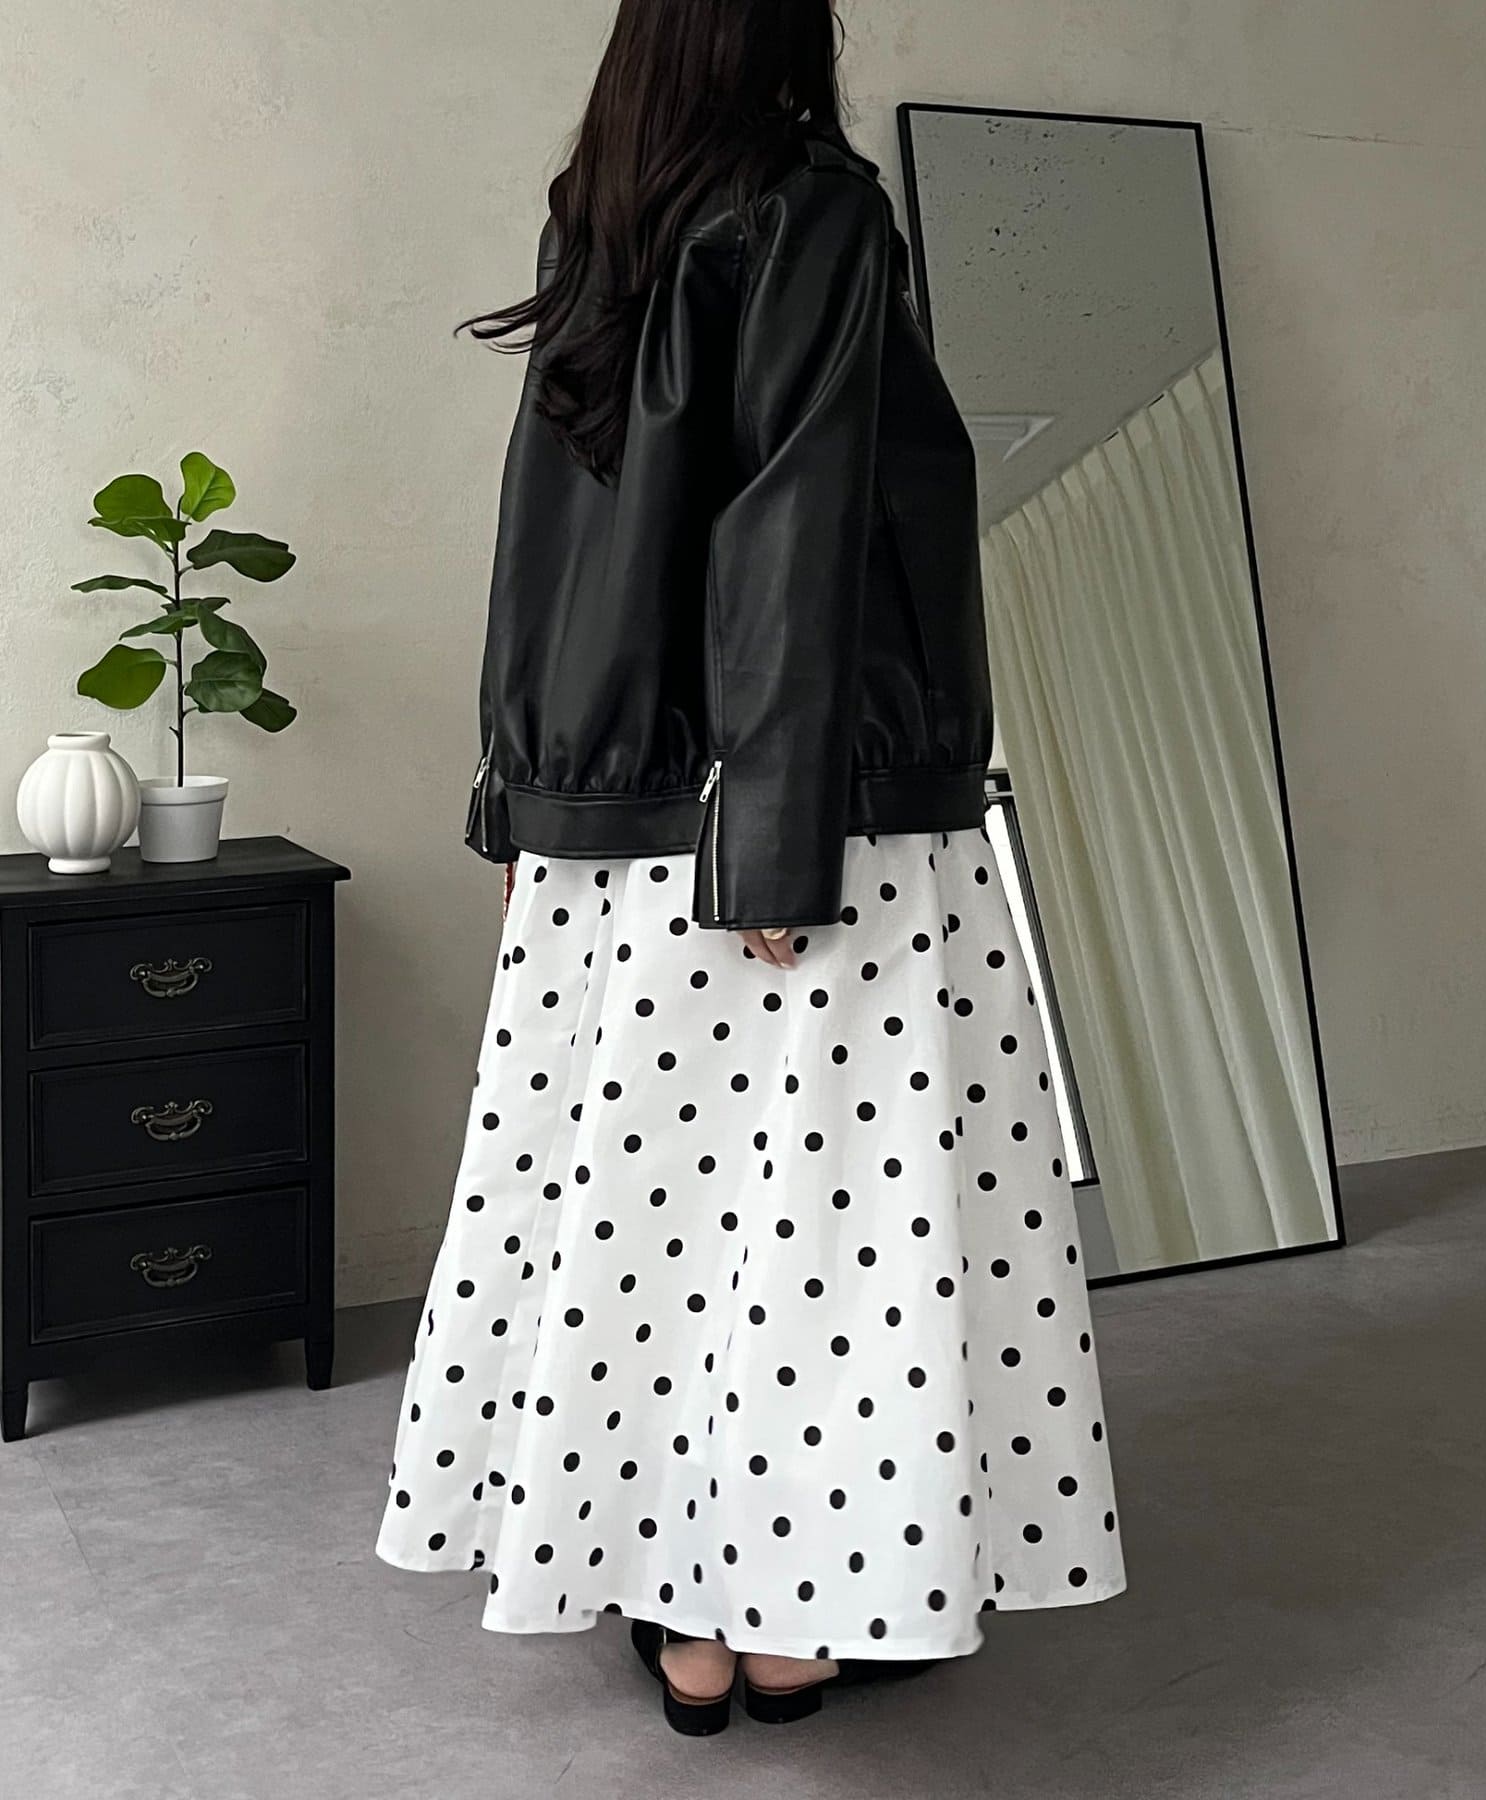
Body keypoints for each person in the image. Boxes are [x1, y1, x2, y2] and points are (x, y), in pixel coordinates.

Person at [376, 0, 1126, 1736]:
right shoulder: (816, 208)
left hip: (621, 819)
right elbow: (802, 516)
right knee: (823, 1243)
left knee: (644, 1231)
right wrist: (778, 837)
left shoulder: (602, 210)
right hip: (798, 822)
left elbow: (542, 533)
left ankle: (682, 1616)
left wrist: (530, 799)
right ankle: (790, 1622)